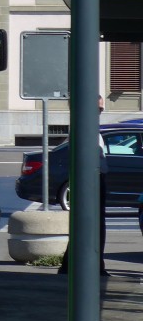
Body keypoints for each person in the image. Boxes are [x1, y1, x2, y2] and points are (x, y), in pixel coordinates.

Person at [57, 95, 109, 276]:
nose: (100, 112)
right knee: (93, 224)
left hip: (95, 178)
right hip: (92, 180)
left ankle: (71, 264)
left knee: (91, 224)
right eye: (98, 109)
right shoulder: (83, 126)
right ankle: (87, 266)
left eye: (102, 109)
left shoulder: (89, 127)